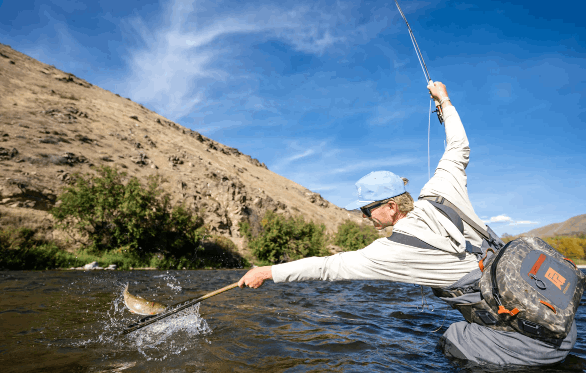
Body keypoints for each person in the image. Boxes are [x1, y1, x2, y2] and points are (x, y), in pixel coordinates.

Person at [238, 82, 577, 366]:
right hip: (563, 320)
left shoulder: (391, 251)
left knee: (455, 338)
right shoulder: (441, 189)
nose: (363, 217)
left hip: (538, 343)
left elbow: (329, 267)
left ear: (389, 207)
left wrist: (268, 271)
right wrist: (443, 100)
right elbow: (458, 146)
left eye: (366, 210)